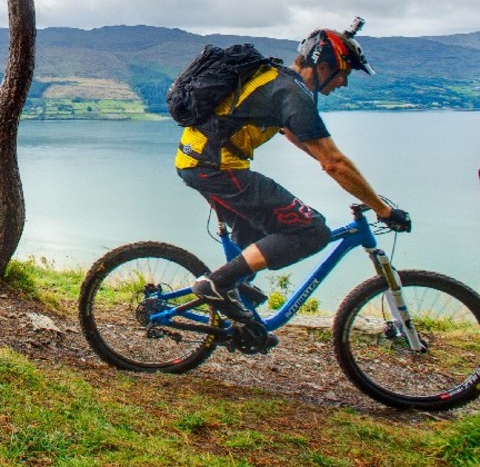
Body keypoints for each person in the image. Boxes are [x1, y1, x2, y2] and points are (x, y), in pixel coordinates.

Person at [175, 23, 410, 330]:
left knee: (257, 230)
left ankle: (235, 307)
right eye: (344, 74)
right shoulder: (291, 93)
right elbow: (335, 163)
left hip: (201, 163)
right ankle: (217, 284)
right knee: (311, 231)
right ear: (323, 66)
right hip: (215, 168)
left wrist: (324, 162)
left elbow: (292, 135)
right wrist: (383, 209)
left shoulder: (278, 80)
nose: (344, 84)